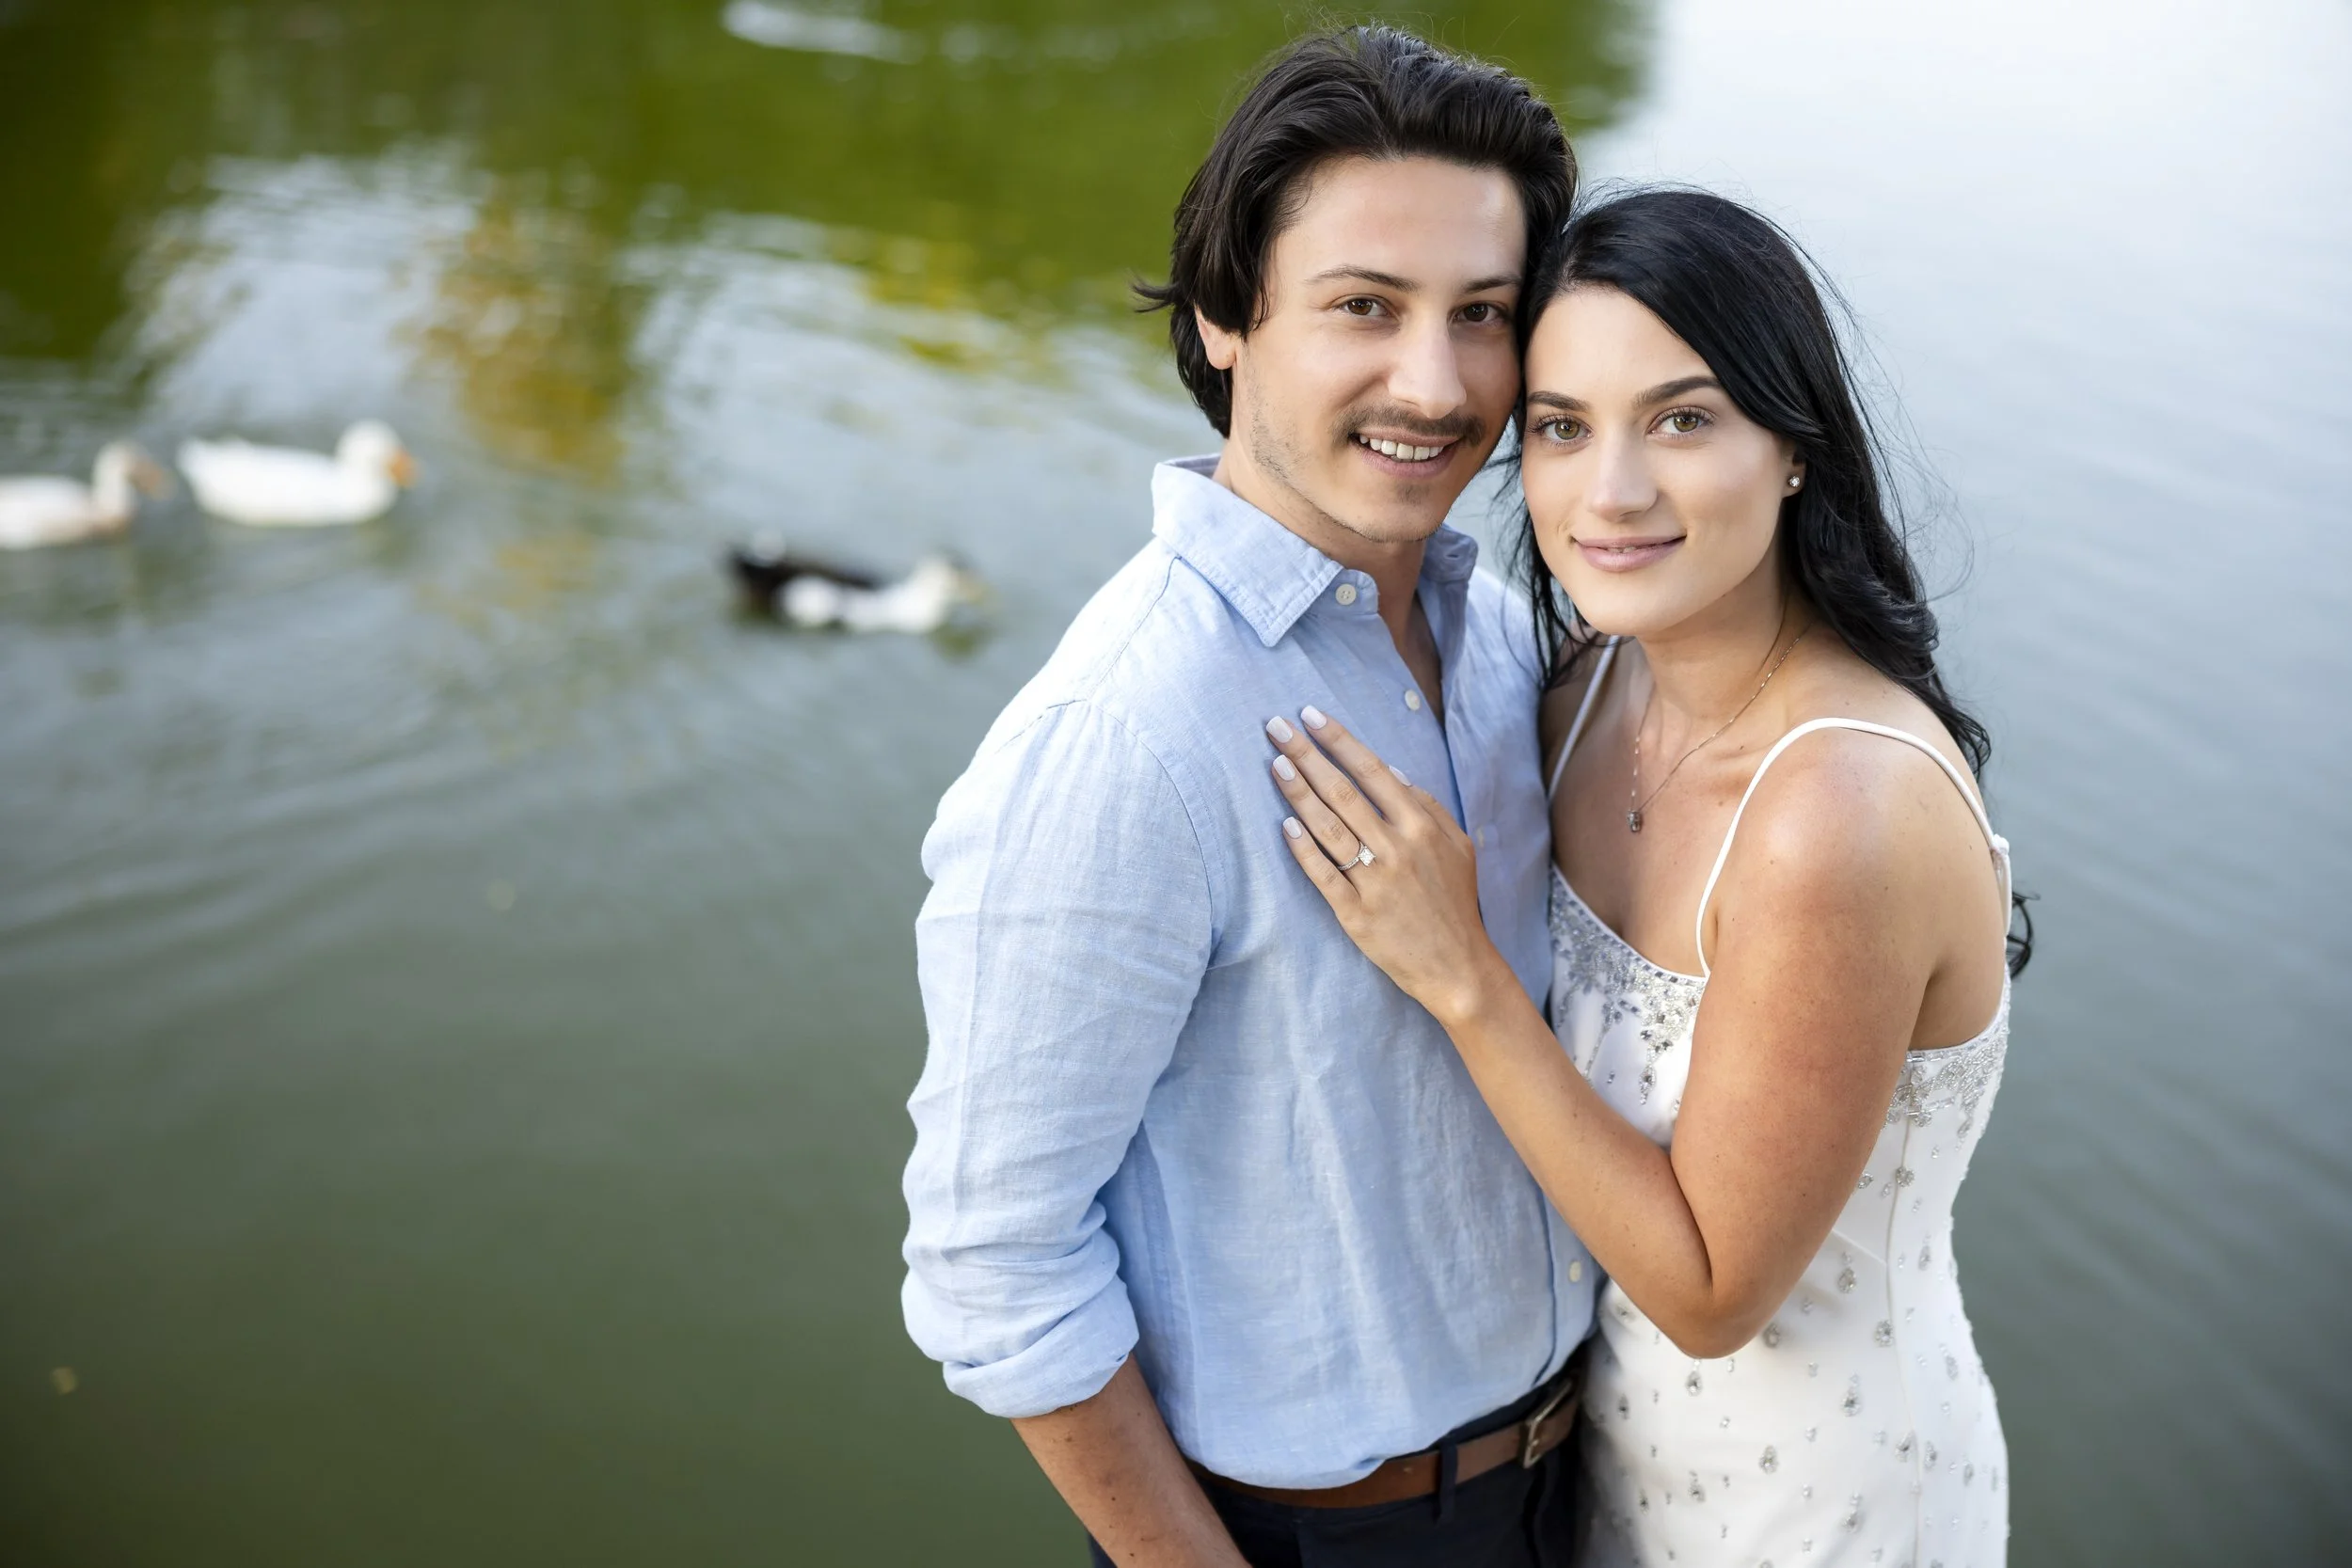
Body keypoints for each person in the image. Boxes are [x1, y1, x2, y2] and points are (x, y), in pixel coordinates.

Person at [901, 26, 1596, 1568]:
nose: (1436, 382)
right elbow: (991, 1264)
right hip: (1312, 1537)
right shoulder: (1125, 734)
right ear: (1227, 315)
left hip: (1576, 1475)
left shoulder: (1496, 637)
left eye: (1483, 315)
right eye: (1365, 307)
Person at [1262, 189, 2020, 1567]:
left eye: (1681, 419)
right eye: (1561, 426)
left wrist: (1464, 981)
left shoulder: (1833, 818)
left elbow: (1716, 1288)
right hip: (1601, 1460)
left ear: (1794, 447)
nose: (1607, 491)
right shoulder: (1587, 690)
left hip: (1817, 1505)